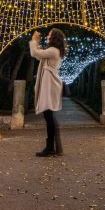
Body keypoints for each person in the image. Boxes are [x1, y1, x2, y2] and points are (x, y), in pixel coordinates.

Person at [29, 28, 67, 157]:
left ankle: (51, 148)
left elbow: (36, 53)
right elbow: (40, 53)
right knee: (49, 115)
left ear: (54, 37)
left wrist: (34, 41)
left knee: (48, 115)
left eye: (50, 34)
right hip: (49, 83)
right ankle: (54, 147)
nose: (48, 35)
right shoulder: (53, 51)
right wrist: (37, 43)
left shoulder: (53, 51)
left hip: (49, 84)